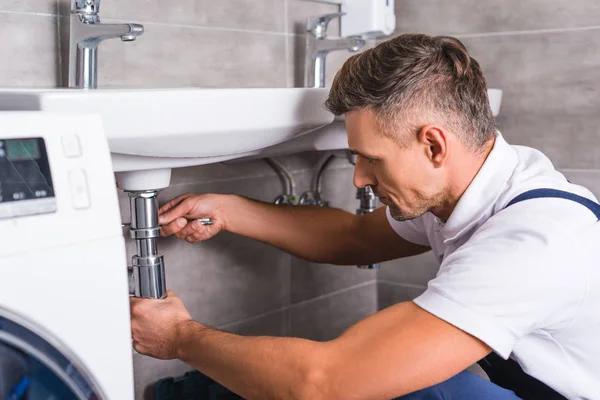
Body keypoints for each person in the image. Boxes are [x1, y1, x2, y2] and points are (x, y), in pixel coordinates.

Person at [129, 34, 600, 399]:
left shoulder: (534, 244)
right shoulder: (476, 182)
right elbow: (354, 237)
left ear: (433, 145)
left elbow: (325, 385)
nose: (358, 178)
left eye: (370, 158)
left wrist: (180, 338)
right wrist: (232, 210)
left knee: (407, 382)